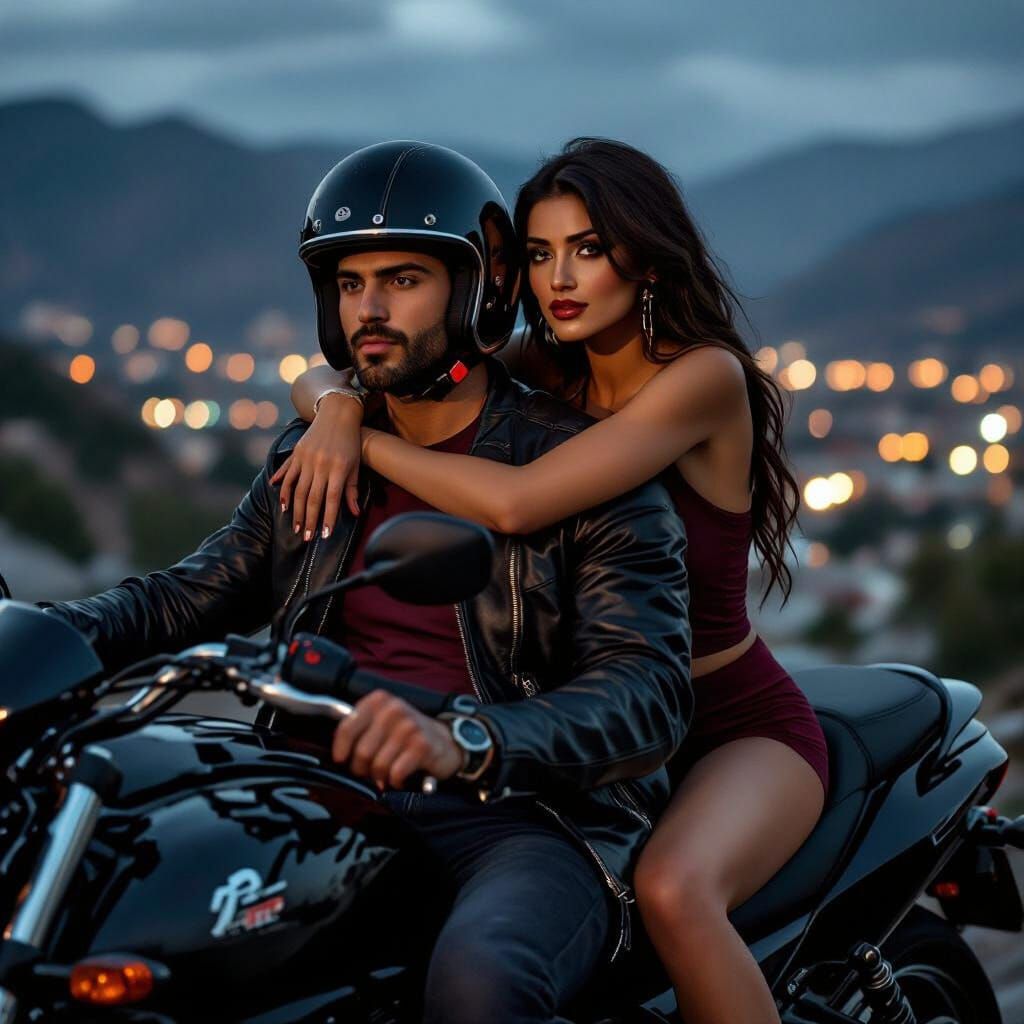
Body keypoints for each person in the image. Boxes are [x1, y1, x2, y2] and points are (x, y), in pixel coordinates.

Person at [42, 141, 694, 1024]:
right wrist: (38, 634)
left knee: (480, 983)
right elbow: (184, 596)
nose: (370, 310)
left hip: (521, 814)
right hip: (317, 784)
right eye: (350, 285)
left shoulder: (578, 471)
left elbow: (645, 692)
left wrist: (471, 736)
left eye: (403, 280)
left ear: (475, 289)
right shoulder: (315, 453)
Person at [277, 138, 829, 1024]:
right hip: (596, 730)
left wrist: (357, 436)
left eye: (588, 250)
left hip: (728, 722)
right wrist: (339, 406)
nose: (559, 280)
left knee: (674, 892)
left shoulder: (703, 377)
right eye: (538, 255)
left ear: (643, 258)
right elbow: (354, 377)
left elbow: (518, 502)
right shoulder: (545, 361)